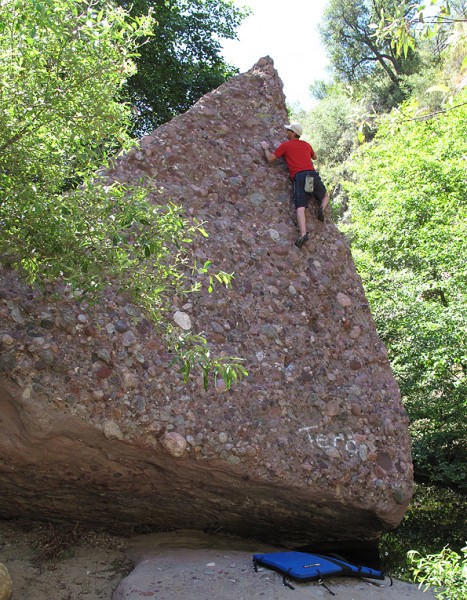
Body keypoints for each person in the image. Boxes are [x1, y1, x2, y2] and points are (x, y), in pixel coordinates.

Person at [261, 123, 329, 248]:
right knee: (325, 195)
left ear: (293, 133)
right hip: (311, 174)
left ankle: (303, 234)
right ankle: (322, 208)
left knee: (300, 206)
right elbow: (315, 157)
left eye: (288, 130)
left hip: (299, 176)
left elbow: (270, 159)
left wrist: (265, 148)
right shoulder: (306, 145)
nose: (287, 132)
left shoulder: (286, 145)